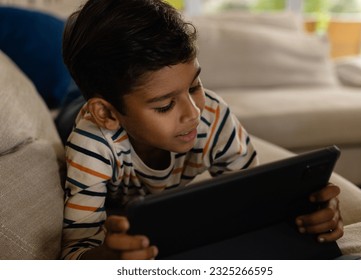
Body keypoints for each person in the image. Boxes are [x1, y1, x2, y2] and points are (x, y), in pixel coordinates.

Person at [61, 0, 343, 260]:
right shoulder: (91, 143)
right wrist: (107, 258)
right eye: (165, 106)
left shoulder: (212, 114)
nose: (194, 113)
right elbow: (76, 250)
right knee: (68, 108)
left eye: (194, 87)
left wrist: (305, 214)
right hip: (75, 117)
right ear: (107, 113)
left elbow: (253, 202)